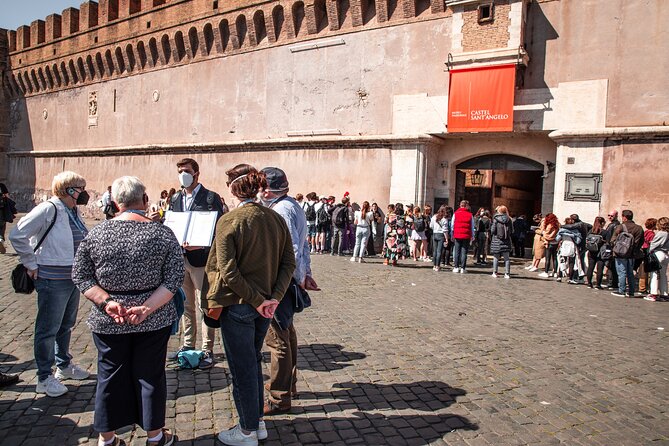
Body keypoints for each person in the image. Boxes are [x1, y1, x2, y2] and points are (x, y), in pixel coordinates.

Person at [72, 176, 184, 446]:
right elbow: (173, 279)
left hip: (109, 319)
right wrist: (146, 307)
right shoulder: (161, 233)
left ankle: (106, 438)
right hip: (153, 318)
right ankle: (156, 436)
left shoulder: (96, 233)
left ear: (115, 203)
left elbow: (81, 276)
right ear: (145, 201)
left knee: (109, 375)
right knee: (151, 375)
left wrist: (107, 302)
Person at [202, 164, 295, 446]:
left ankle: (245, 431)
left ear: (232, 187)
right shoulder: (274, 218)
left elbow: (228, 272)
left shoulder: (229, 221)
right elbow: (288, 263)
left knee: (243, 368)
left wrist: (259, 300)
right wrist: (272, 299)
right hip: (264, 307)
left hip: (241, 305)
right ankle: (257, 423)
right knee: (253, 362)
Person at [9, 171, 91, 397]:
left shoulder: (73, 211)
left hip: (72, 276)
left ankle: (63, 365)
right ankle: (44, 377)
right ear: (68, 189)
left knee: (66, 324)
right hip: (52, 278)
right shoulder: (49, 208)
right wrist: (30, 263)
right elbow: (17, 234)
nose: (83, 192)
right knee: (48, 328)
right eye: (79, 188)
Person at [258, 167, 320, 415]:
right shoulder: (290, 205)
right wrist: (305, 274)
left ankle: (279, 396)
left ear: (267, 190)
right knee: (287, 333)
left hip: (279, 282)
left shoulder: (281, 209)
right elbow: (301, 246)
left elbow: (292, 248)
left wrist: (285, 283)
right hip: (289, 279)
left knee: (277, 340)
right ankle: (289, 385)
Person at [167, 158, 225, 369]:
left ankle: (207, 349)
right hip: (180, 259)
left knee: (205, 305)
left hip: (201, 260)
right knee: (186, 305)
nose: (183, 174)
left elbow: (219, 228)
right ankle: (187, 344)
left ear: (197, 174)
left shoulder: (210, 197)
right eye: (180, 171)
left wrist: (201, 244)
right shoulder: (175, 198)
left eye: (187, 171)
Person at [609, 209, 644, 297]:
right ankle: (631, 291)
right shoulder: (639, 228)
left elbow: (613, 240)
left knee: (621, 272)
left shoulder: (621, 227)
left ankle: (622, 290)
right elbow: (641, 241)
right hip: (632, 254)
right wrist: (635, 250)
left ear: (624, 217)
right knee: (630, 273)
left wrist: (616, 248)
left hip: (620, 253)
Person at [646, 217, 669, 302]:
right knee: (663, 275)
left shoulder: (661, 233)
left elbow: (654, 244)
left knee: (654, 274)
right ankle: (664, 294)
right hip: (666, 254)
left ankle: (653, 294)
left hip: (658, 253)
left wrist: (649, 251)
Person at [451, 200, 475, 273]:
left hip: (457, 235)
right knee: (464, 252)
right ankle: (463, 268)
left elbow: (452, 225)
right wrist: (472, 235)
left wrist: (452, 234)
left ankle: (456, 267)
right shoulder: (470, 215)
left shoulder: (455, 214)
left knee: (457, 251)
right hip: (466, 235)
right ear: (466, 206)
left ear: (460, 205)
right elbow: (472, 226)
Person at [490, 206, 513, 278]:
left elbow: (493, 230)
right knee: (507, 258)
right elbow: (512, 231)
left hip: (497, 240)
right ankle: (507, 274)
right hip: (506, 241)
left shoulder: (496, 219)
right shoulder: (509, 219)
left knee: (496, 257)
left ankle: (495, 272)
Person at [585, 217, 607, 289]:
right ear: (602, 223)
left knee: (590, 267)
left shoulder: (591, 231)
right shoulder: (604, 232)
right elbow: (608, 241)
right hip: (600, 252)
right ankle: (598, 284)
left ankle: (589, 283)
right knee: (600, 268)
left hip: (591, 252)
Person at [638, 218, 657, 295]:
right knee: (648, 271)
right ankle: (644, 288)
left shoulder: (644, 232)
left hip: (641, 252)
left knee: (642, 270)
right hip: (648, 252)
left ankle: (641, 287)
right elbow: (652, 244)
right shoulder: (652, 234)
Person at [603, 210, 621, 288]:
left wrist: (608, 245)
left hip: (610, 247)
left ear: (616, 216)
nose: (610, 217)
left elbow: (609, 237)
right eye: (609, 215)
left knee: (610, 265)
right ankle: (613, 282)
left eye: (612, 216)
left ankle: (612, 282)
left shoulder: (613, 225)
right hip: (612, 246)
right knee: (612, 265)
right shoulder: (615, 224)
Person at [538, 213, 560, 278]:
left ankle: (546, 272)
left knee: (548, 258)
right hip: (555, 242)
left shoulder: (550, 225)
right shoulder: (558, 224)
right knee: (555, 258)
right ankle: (555, 272)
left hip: (549, 243)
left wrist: (543, 233)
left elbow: (547, 234)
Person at [0, 182, 18, 254]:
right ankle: (1, 239)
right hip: (2, 211)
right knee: (1, 226)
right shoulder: (1, 185)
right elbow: (7, 197)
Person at [430, 205, 449, 272]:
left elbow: (431, 226)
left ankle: (434, 265)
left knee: (435, 251)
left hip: (435, 234)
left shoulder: (434, 217)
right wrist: (446, 239)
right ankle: (438, 266)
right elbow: (445, 230)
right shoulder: (444, 219)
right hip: (441, 235)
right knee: (439, 251)